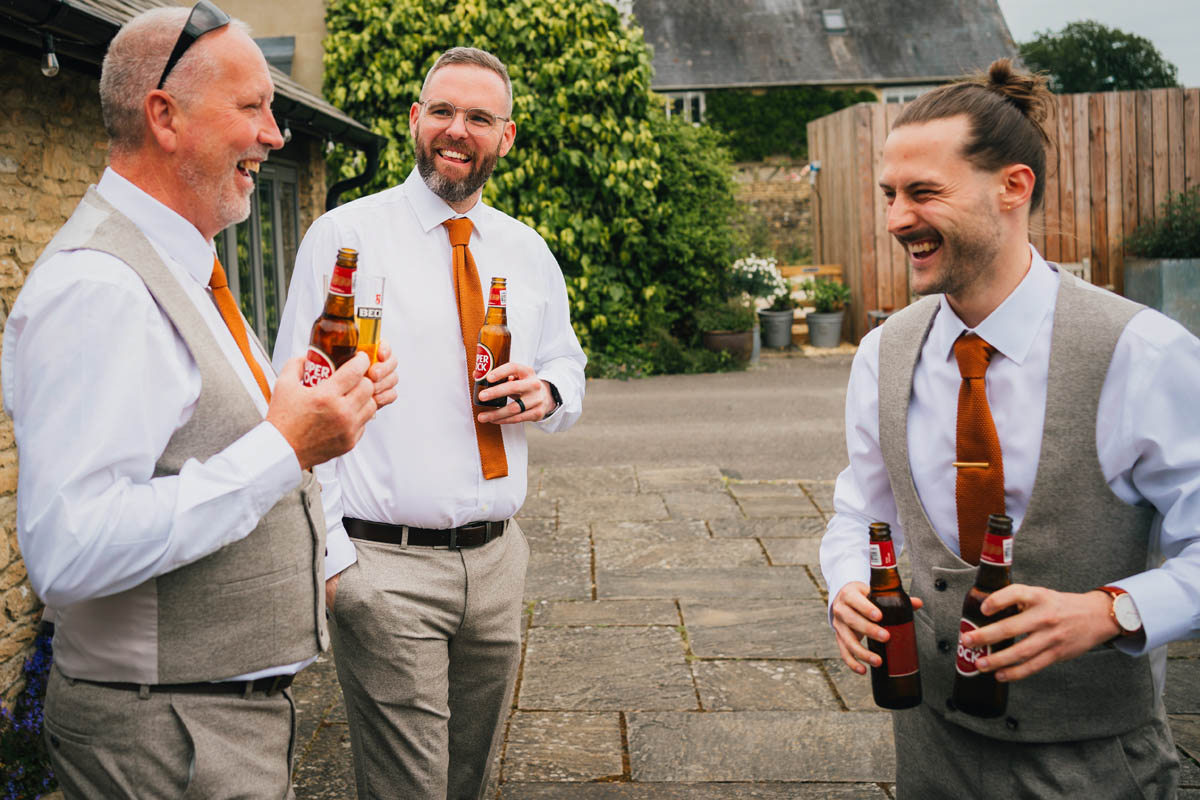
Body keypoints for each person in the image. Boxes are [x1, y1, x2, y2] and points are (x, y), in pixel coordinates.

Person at [0, 4, 398, 798]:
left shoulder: (185, 263)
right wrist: (285, 444)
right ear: (164, 116)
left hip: (211, 727)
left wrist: (296, 417)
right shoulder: (100, 287)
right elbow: (69, 549)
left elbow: (203, 444)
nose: (276, 135)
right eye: (252, 107)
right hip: (166, 742)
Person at [819, 58, 1199, 798]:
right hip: (927, 750)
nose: (896, 218)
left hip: (1089, 764)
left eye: (923, 192)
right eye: (890, 195)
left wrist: (1111, 610)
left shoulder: (1142, 353)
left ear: (1013, 188)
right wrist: (845, 585)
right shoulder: (882, 353)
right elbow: (861, 510)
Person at [273, 46, 586, 800]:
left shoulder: (526, 249)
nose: (457, 130)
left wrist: (546, 390)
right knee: (408, 787)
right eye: (442, 111)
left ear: (504, 137)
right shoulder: (345, 239)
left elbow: (568, 364)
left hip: (497, 564)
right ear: (415, 121)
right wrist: (338, 566)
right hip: (386, 568)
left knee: (467, 778)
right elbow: (294, 409)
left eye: (479, 117)